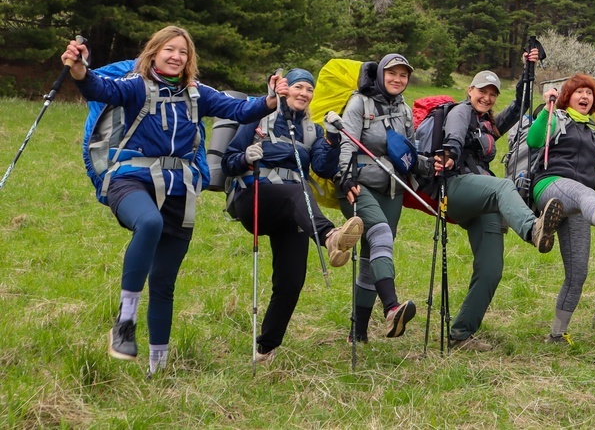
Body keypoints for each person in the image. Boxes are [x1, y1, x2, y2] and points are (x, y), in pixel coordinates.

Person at [63, 28, 280, 374]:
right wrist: (79, 70)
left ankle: (157, 369)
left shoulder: (198, 94)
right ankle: (125, 320)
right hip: (129, 180)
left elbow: (239, 109)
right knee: (149, 223)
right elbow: (100, 88)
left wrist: (269, 100)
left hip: (180, 190)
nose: (176, 56)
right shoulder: (135, 85)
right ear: (153, 52)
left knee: (164, 284)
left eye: (183, 52)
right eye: (169, 49)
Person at [222, 68, 365, 362]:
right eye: (299, 86)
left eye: (309, 90)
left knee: (291, 279)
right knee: (298, 193)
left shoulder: (311, 129)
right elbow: (228, 162)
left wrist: (333, 139)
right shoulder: (258, 118)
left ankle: (265, 348)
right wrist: (244, 156)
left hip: (295, 210)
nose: (304, 93)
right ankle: (330, 237)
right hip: (255, 198)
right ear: (286, 90)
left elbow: (323, 168)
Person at [434, 57, 565, 351]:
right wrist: (451, 152)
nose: (487, 97)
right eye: (482, 91)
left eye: (492, 93)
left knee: (491, 269)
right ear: (470, 90)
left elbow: (519, 106)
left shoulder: (488, 122)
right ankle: (534, 229)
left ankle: (461, 334)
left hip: (483, 197)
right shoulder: (461, 111)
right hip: (455, 187)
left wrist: (528, 70)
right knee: (504, 187)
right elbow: (454, 135)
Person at [525, 74, 595, 343]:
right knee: (583, 190)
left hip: (579, 206)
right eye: (580, 92)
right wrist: (547, 110)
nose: (585, 97)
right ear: (569, 96)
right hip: (550, 188)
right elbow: (534, 140)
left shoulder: (591, 134)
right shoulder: (556, 118)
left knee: (578, 272)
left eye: (590, 93)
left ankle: (556, 334)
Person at [332, 53, 418, 342]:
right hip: (358, 187)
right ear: (380, 74)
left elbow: (410, 149)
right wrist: (345, 177)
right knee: (380, 234)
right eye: (392, 73)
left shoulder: (405, 110)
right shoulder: (360, 102)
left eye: (403, 75)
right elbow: (347, 142)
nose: (397, 79)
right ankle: (392, 307)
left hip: (392, 189)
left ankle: (358, 333)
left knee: (372, 256)